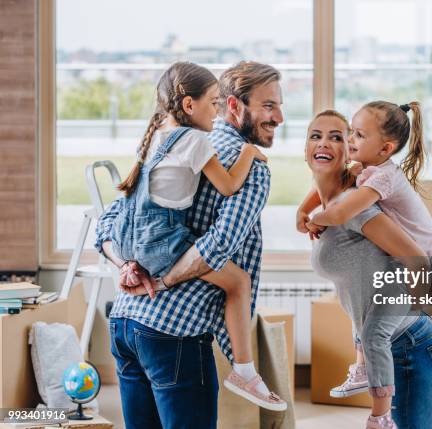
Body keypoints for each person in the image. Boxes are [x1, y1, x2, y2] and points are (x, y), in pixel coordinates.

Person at [95, 61, 285, 429]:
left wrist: (125, 266)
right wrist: (163, 280)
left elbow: (110, 221)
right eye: (268, 105)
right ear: (233, 106)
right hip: (172, 332)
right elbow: (218, 246)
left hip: (124, 322)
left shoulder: (168, 140)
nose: (279, 116)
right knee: (238, 280)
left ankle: (245, 371)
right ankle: (245, 372)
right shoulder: (248, 166)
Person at [300, 109, 432, 428]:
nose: (325, 142)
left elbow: (416, 257)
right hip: (393, 338)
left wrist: (421, 300)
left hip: (409, 346)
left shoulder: (356, 204)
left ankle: (379, 415)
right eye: (315, 135)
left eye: (338, 136)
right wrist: (306, 210)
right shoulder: (345, 189)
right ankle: (363, 370)